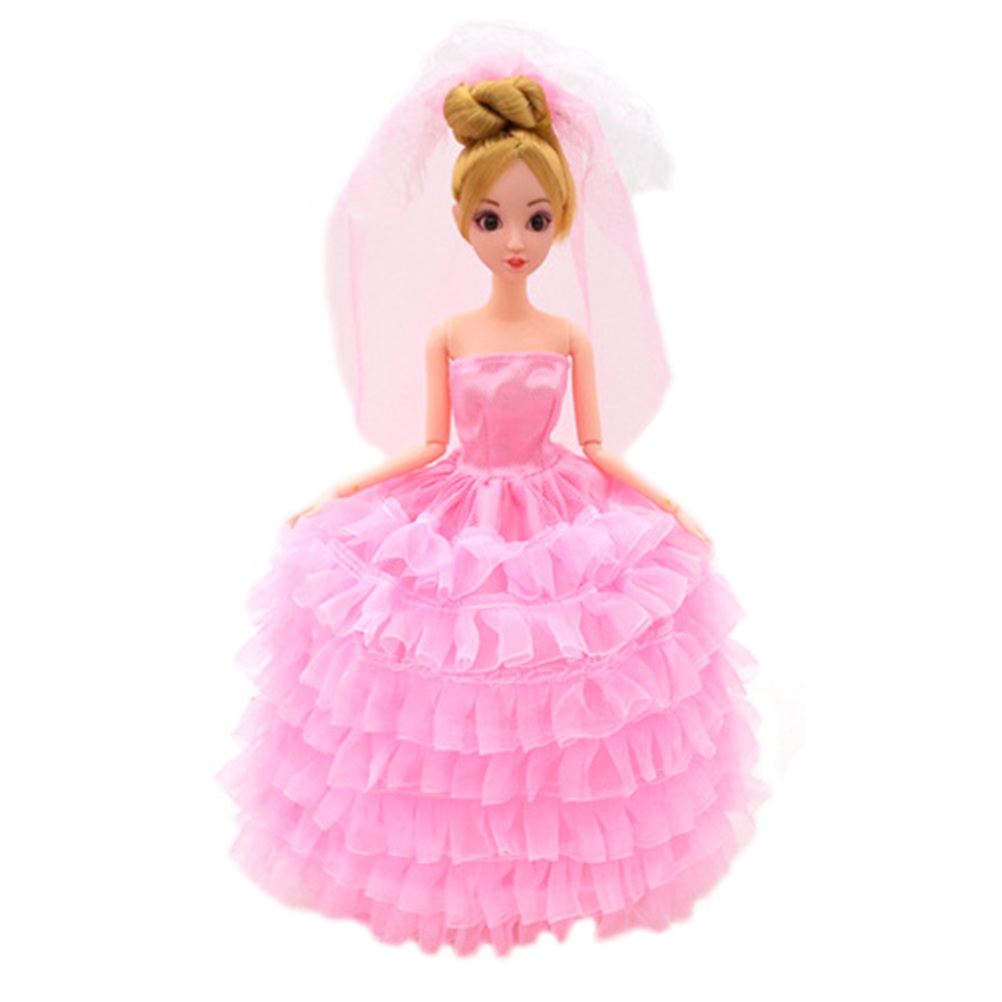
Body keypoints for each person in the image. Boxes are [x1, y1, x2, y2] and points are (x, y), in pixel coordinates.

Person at [220, 57, 768, 958]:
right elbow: (430, 444)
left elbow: (595, 446)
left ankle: (556, 850)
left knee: (564, 661)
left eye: (536, 219)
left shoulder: (565, 335)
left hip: (555, 503)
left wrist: (666, 503)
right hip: (461, 506)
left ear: (562, 223)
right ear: (464, 224)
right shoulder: (451, 334)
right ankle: (455, 856)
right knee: (449, 666)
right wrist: (344, 490)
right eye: (493, 219)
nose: (515, 239)